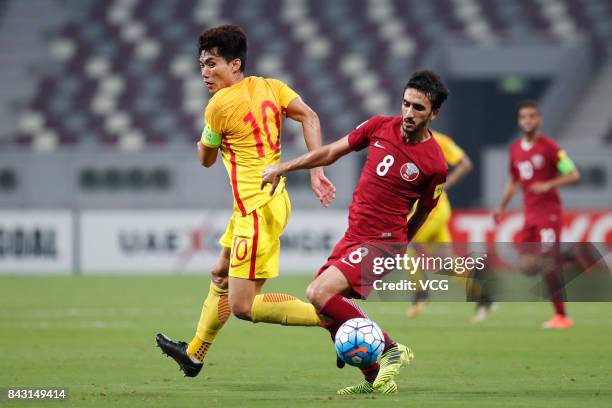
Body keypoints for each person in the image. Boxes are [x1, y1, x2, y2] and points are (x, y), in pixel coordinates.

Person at [156, 24, 336, 377]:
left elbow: (205, 160)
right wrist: (316, 171)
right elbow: (309, 116)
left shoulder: (218, 106)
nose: (205, 73)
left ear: (235, 64)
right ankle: (193, 355)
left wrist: (203, 146)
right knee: (220, 274)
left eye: (213, 64)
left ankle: (334, 319)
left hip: (254, 210)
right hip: (270, 203)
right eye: (202, 65)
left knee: (242, 305)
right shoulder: (271, 87)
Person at [262, 70, 449, 394]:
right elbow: (332, 151)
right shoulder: (379, 126)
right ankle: (374, 378)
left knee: (317, 293)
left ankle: (390, 347)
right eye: (406, 104)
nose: (408, 113)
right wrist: (284, 167)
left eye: (418, 108)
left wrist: (402, 243)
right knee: (325, 311)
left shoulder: (434, 164)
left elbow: (424, 210)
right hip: (353, 236)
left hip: (384, 243)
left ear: (434, 114)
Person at [493, 100, 580, 329]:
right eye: (524, 117)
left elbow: (572, 174)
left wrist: (548, 184)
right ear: (520, 121)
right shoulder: (515, 149)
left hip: (549, 214)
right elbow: (514, 180)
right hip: (530, 214)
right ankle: (569, 255)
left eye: (532, 116)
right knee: (527, 266)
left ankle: (561, 316)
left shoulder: (550, 147)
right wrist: (501, 206)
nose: (528, 120)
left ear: (539, 119)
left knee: (549, 264)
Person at [404, 130, 473, 319]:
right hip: (420, 209)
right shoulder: (400, 141)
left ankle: (421, 295)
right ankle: (483, 294)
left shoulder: (438, 140)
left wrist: (443, 186)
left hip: (433, 208)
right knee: (448, 262)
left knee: (403, 244)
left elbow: (464, 164)